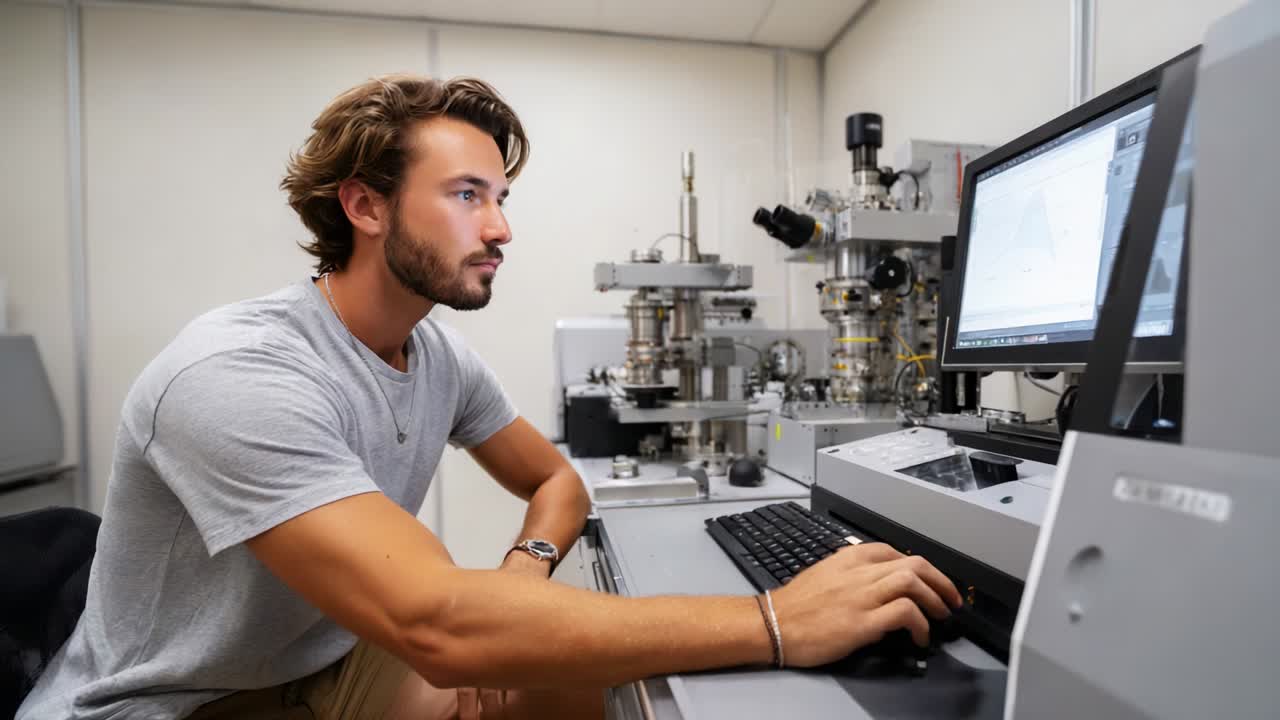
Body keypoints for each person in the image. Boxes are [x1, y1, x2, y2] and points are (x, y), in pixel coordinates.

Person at [17, 75, 961, 720]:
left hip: (323, 660)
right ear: (366, 206)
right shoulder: (236, 374)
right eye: (468, 195)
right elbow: (436, 621)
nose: (502, 227)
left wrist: (524, 570)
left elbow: (555, 482)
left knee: (611, 696)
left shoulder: (434, 355)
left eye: (501, 197)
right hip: (182, 704)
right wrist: (775, 623)